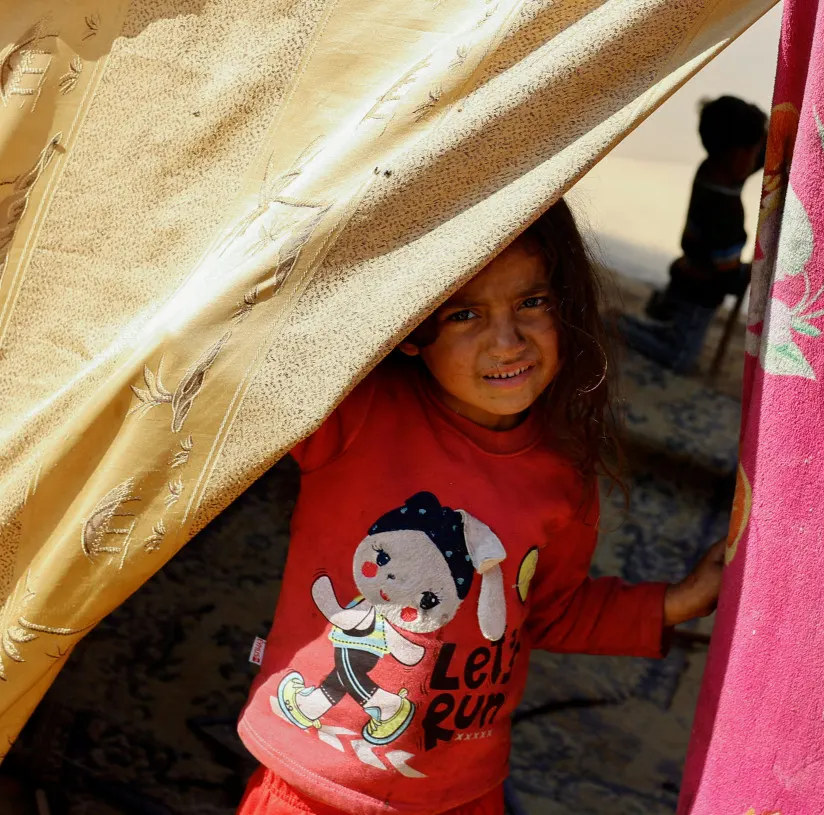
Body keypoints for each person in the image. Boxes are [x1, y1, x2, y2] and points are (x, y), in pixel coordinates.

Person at [234, 199, 726, 815]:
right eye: (464, 313)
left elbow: (551, 612)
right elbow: (252, 342)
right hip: (307, 784)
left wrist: (679, 601)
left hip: (461, 795)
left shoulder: (562, 476)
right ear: (411, 328)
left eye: (533, 303)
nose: (507, 342)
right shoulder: (353, 416)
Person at [621, 95, 767, 374]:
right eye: (754, 149)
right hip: (700, 291)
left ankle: (658, 312)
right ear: (737, 155)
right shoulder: (723, 214)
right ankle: (619, 327)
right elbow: (726, 274)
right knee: (680, 357)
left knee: (672, 328)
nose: (757, 157)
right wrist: (751, 272)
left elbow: (755, 159)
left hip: (686, 274)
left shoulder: (712, 170)